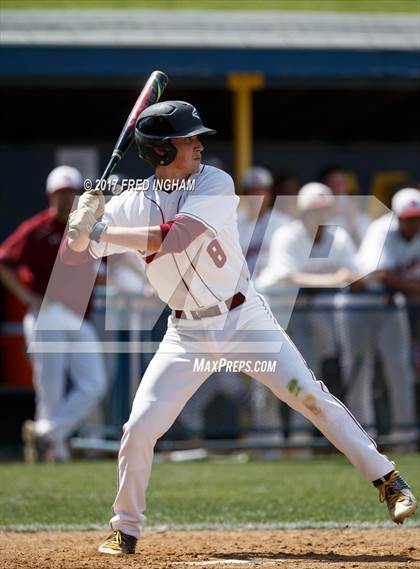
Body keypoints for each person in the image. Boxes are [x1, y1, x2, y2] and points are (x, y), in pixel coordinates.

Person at [62, 101, 416, 555]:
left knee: (311, 397)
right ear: (161, 152)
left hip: (243, 318)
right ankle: (125, 527)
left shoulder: (215, 181)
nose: (198, 145)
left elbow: (177, 235)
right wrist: (82, 226)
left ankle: (388, 480)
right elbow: (76, 254)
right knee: (140, 426)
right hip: (186, 333)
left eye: (195, 138)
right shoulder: (131, 204)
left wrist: (100, 232)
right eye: (187, 140)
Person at [0, 166, 106, 462]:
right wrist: (24, 296)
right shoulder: (36, 229)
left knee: (94, 385)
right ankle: (54, 452)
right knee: (50, 390)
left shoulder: (89, 228)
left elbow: (105, 268)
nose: (66, 199)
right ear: (50, 195)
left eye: (71, 193)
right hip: (46, 315)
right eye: (61, 193)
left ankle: (45, 434)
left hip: (78, 317)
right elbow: (4, 260)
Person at [256, 183, 360, 441]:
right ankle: (265, 441)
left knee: (305, 378)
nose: (319, 217)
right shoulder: (286, 234)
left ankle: (300, 439)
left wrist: (339, 278)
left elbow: (354, 275)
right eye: (314, 211)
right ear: (302, 213)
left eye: (324, 211)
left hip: (306, 316)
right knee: (267, 378)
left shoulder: (339, 237)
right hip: (272, 313)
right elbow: (290, 277)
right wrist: (334, 279)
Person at [345, 187, 419, 443]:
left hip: (390, 304)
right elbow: (382, 275)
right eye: (408, 217)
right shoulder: (381, 228)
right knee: (359, 373)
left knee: (399, 370)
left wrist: (406, 287)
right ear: (397, 216)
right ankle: (363, 439)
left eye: (417, 217)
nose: (413, 222)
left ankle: (405, 435)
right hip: (360, 305)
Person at [319, 164, 371, 246]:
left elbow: (367, 247)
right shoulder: (315, 217)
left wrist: (352, 222)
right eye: (334, 184)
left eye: (342, 184)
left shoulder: (361, 217)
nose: (339, 190)